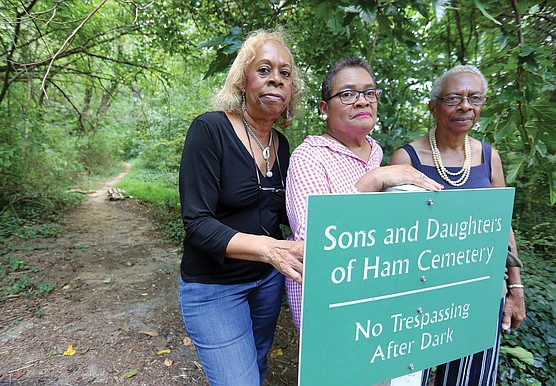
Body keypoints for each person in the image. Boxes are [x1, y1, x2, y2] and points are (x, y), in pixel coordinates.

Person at [178, 29, 303, 386]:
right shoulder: (209, 129)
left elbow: (287, 214)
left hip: (266, 282)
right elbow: (198, 223)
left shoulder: (282, 144)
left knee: (257, 365)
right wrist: (271, 249)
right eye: (264, 70)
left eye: (285, 73)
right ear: (242, 79)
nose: (275, 80)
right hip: (214, 285)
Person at [389, 64, 526, 386]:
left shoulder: (488, 156)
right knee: (409, 378)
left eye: (474, 98)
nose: (465, 106)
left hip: (480, 290)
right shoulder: (407, 159)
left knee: (470, 379)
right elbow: (394, 237)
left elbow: (502, 224)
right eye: (454, 98)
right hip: (420, 298)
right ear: (433, 106)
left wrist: (515, 289)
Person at [285, 57, 442, 332]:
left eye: (369, 93)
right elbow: (313, 243)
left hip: (371, 294)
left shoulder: (375, 151)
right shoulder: (309, 157)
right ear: (324, 108)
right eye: (347, 94)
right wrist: (374, 179)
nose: (362, 101)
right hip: (328, 302)